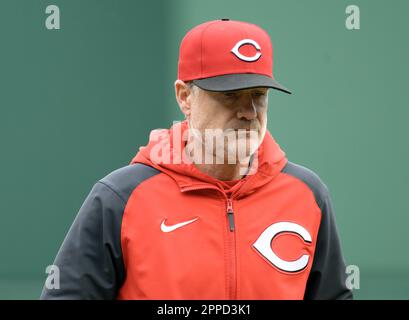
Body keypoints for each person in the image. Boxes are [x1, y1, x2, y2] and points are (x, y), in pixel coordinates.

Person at [40, 19, 353, 300]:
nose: (249, 112)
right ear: (184, 97)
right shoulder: (120, 198)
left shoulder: (307, 195)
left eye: (258, 95)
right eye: (229, 95)